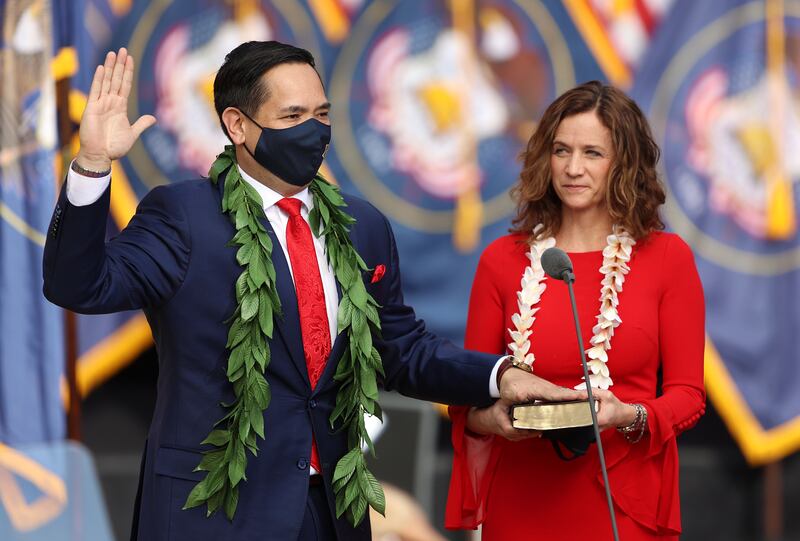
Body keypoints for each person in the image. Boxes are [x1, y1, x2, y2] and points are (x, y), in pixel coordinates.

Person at [42, 42, 583, 541]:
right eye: (293, 117)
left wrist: (499, 376)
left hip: (331, 511)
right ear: (238, 124)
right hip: (213, 509)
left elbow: (401, 348)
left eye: (321, 114)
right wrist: (93, 163)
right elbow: (78, 284)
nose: (314, 130)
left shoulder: (362, 226)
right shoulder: (183, 216)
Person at [445, 81, 706, 540]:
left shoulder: (668, 257)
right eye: (561, 150)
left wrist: (628, 415)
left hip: (622, 502)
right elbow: (466, 402)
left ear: (623, 163)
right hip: (522, 500)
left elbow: (688, 394)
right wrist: (497, 421)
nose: (573, 168)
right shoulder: (501, 260)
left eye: (592, 153)